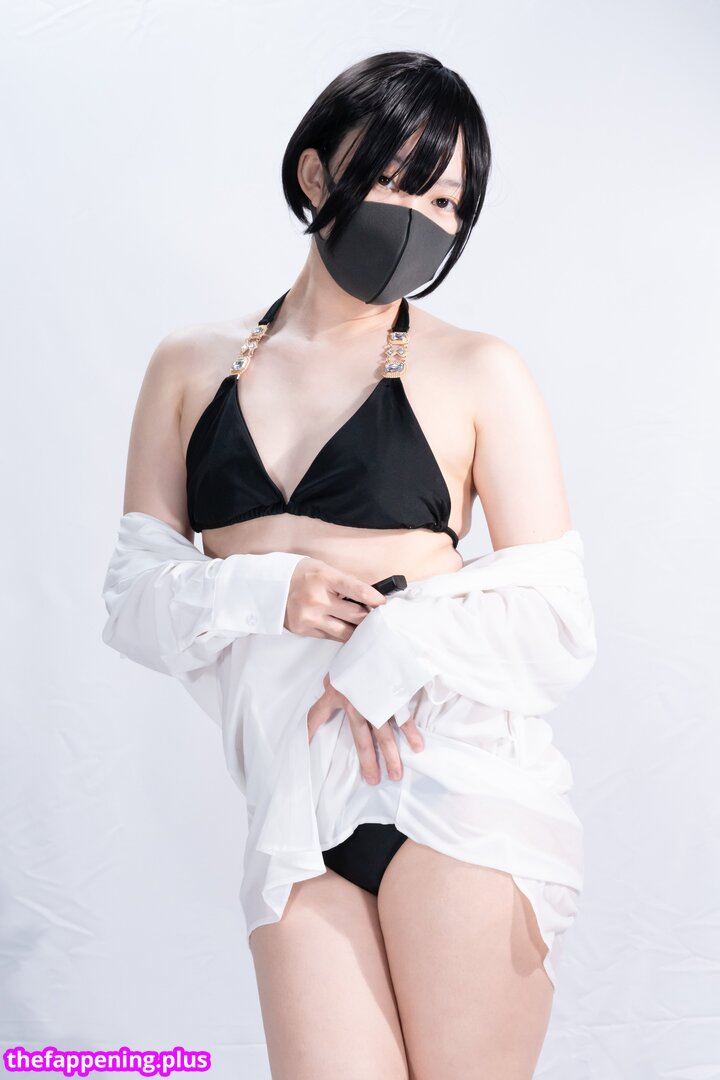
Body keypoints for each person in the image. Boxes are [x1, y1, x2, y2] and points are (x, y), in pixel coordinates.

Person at [102, 50, 597, 1080]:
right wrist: (268, 590)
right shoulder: (189, 366)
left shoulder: (479, 370)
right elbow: (133, 603)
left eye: (448, 201)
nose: (421, 218)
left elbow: (557, 619)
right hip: (292, 808)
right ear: (319, 173)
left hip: (452, 788)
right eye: (400, 181)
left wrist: (391, 644)